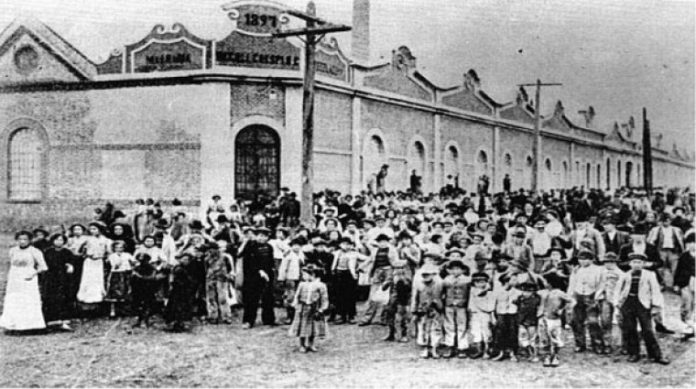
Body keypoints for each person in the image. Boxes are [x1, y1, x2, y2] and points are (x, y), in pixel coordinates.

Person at [614, 253, 670, 364]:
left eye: (639, 262)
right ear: (630, 264)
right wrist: (617, 305)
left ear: (643, 264)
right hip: (628, 303)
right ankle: (634, 353)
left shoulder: (650, 275)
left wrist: (655, 306)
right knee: (630, 329)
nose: (636, 265)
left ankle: (655, 355)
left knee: (648, 330)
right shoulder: (625, 275)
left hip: (643, 304)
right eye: (634, 262)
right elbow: (617, 291)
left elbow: (655, 291)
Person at [0, 231, 48, 332]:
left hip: (28, 278)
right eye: (20, 239)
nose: (22, 242)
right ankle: (13, 325)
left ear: (30, 240)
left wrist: (33, 273)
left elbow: (44, 267)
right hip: (14, 278)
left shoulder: (35, 251)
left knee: (27, 300)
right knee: (14, 299)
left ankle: (29, 326)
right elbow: (11, 264)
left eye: (25, 239)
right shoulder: (13, 250)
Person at [567, 249, 603, 353]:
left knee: (593, 321)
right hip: (578, 296)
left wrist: (597, 296)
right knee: (576, 321)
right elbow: (572, 285)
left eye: (585, 259)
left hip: (591, 296)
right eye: (580, 259)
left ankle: (597, 344)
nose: (582, 261)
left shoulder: (598, 270)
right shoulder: (576, 270)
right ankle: (580, 344)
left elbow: (601, 284)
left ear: (591, 260)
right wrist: (570, 298)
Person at [239, 227, 276, 328]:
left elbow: (271, 262)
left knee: (268, 298)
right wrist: (259, 271)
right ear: (256, 236)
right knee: (251, 300)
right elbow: (248, 262)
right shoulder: (250, 246)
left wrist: (269, 272)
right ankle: (248, 321)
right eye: (260, 235)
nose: (262, 238)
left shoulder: (269, 247)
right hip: (252, 277)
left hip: (267, 276)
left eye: (264, 236)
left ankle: (268, 320)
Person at [289, 264, 329, 353]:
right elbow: (297, 295)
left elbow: (324, 298)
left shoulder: (320, 285)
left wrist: (322, 309)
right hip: (303, 308)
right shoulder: (302, 284)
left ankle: (311, 344)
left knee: (313, 327)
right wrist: (295, 303)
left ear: (312, 274)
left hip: (314, 308)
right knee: (302, 327)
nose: (303, 276)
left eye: (305, 274)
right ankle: (302, 344)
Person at [538, 272, 575, 367]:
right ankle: (547, 356)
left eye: (546, 281)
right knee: (544, 338)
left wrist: (562, 309)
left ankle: (555, 356)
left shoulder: (559, 293)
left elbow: (572, 301)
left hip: (554, 319)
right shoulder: (543, 292)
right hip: (543, 318)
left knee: (555, 338)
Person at [40, 233, 76, 331]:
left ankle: (64, 321)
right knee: (51, 298)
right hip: (51, 278)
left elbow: (72, 262)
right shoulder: (47, 252)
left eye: (61, 240)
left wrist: (70, 266)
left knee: (64, 297)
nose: (59, 242)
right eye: (57, 240)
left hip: (64, 278)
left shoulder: (67, 252)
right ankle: (51, 321)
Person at [411, 263, 444, 359]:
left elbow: (442, 296)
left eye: (429, 274)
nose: (426, 277)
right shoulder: (419, 285)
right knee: (423, 329)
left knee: (435, 329)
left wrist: (439, 305)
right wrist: (414, 311)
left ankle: (434, 348)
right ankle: (424, 348)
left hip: (435, 310)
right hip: (422, 311)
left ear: (434, 275)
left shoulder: (439, 284)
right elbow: (415, 298)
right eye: (424, 275)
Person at [77, 222, 111, 308]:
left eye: (95, 229)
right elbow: (79, 251)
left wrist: (103, 257)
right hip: (88, 262)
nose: (92, 231)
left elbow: (109, 252)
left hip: (99, 262)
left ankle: (98, 299)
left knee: (97, 280)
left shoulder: (106, 240)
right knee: (87, 279)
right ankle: (85, 299)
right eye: (91, 229)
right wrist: (86, 254)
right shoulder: (87, 239)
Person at [441, 259, 471, 358]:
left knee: (461, 325)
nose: (455, 271)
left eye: (458, 269)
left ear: (462, 270)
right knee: (449, 325)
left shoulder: (467, 279)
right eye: (453, 269)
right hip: (449, 304)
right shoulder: (446, 279)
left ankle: (462, 347)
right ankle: (449, 345)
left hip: (462, 305)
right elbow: (443, 292)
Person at [596, 252, 624, 354]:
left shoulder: (621, 274)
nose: (608, 264)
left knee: (620, 321)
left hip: (617, 300)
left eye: (611, 262)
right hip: (605, 299)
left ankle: (621, 344)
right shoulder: (601, 272)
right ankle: (607, 343)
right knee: (605, 321)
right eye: (606, 262)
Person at [331, 237, 361, 324]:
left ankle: (351, 315)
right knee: (339, 295)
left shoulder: (354, 254)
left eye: (348, 244)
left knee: (350, 295)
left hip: (349, 275)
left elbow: (367, 259)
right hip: (339, 274)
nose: (346, 246)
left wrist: (358, 267)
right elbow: (333, 264)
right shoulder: (336, 253)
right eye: (344, 244)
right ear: (340, 245)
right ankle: (341, 315)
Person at [164, 253, 196, 332]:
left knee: (183, 308)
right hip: (178, 291)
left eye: (187, 260)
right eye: (183, 259)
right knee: (176, 307)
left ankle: (181, 323)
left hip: (185, 291)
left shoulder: (190, 268)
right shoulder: (178, 269)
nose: (185, 261)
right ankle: (175, 324)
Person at [204, 242, 234, 325]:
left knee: (223, 298)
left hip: (222, 279)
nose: (210, 251)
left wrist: (229, 276)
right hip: (210, 279)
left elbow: (230, 268)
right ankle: (213, 316)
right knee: (211, 298)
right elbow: (206, 269)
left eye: (211, 249)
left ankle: (226, 316)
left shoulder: (224, 257)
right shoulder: (207, 258)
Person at [467, 272, 495, 358]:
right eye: (477, 282)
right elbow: (471, 303)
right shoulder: (472, 291)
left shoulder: (489, 292)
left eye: (483, 282)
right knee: (476, 331)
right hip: (475, 314)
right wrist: (471, 312)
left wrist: (491, 314)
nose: (480, 284)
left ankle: (487, 350)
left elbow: (490, 306)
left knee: (486, 331)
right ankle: (478, 349)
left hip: (485, 314)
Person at [279, 237, 306, 324]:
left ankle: (298, 316)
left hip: (300, 278)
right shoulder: (288, 255)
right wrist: (281, 278)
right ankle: (290, 316)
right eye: (294, 245)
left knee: (300, 296)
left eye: (298, 245)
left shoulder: (302, 255)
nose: (296, 247)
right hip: (290, 277)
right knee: (290, 297)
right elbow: (283, 268)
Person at [131, 253, 162, 328]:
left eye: (143, 259)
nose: (142, 260)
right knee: (138, 305)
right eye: (140, 258)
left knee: (147, 304)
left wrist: (140, 276)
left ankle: (146, 320)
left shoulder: (151, 268)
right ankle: (139, 320)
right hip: (138, 289)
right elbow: (132, 279)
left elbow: (152, 278)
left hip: (148, 289)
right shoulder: (137, 268)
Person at [105, 240, 135, 318]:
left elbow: (135, 261)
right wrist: (117, 263)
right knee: (114, 291)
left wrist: (132, 266)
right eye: (117, 247)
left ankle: (124, 310)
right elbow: (114, 266)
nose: (119, 249)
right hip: (116, 274)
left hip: (125, 274)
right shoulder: (112, 256)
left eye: (121, 247)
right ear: (114, 248)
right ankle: (113, 311)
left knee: (126, 290)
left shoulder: (127, 255)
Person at [674, 232, 695, 338]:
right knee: (686, 304)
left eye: (695, 242)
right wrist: (677, 284)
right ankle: (687, 326)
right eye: (690, 242)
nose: (693, 245)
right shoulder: (684, 256)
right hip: (686, 282)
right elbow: (678, 270)